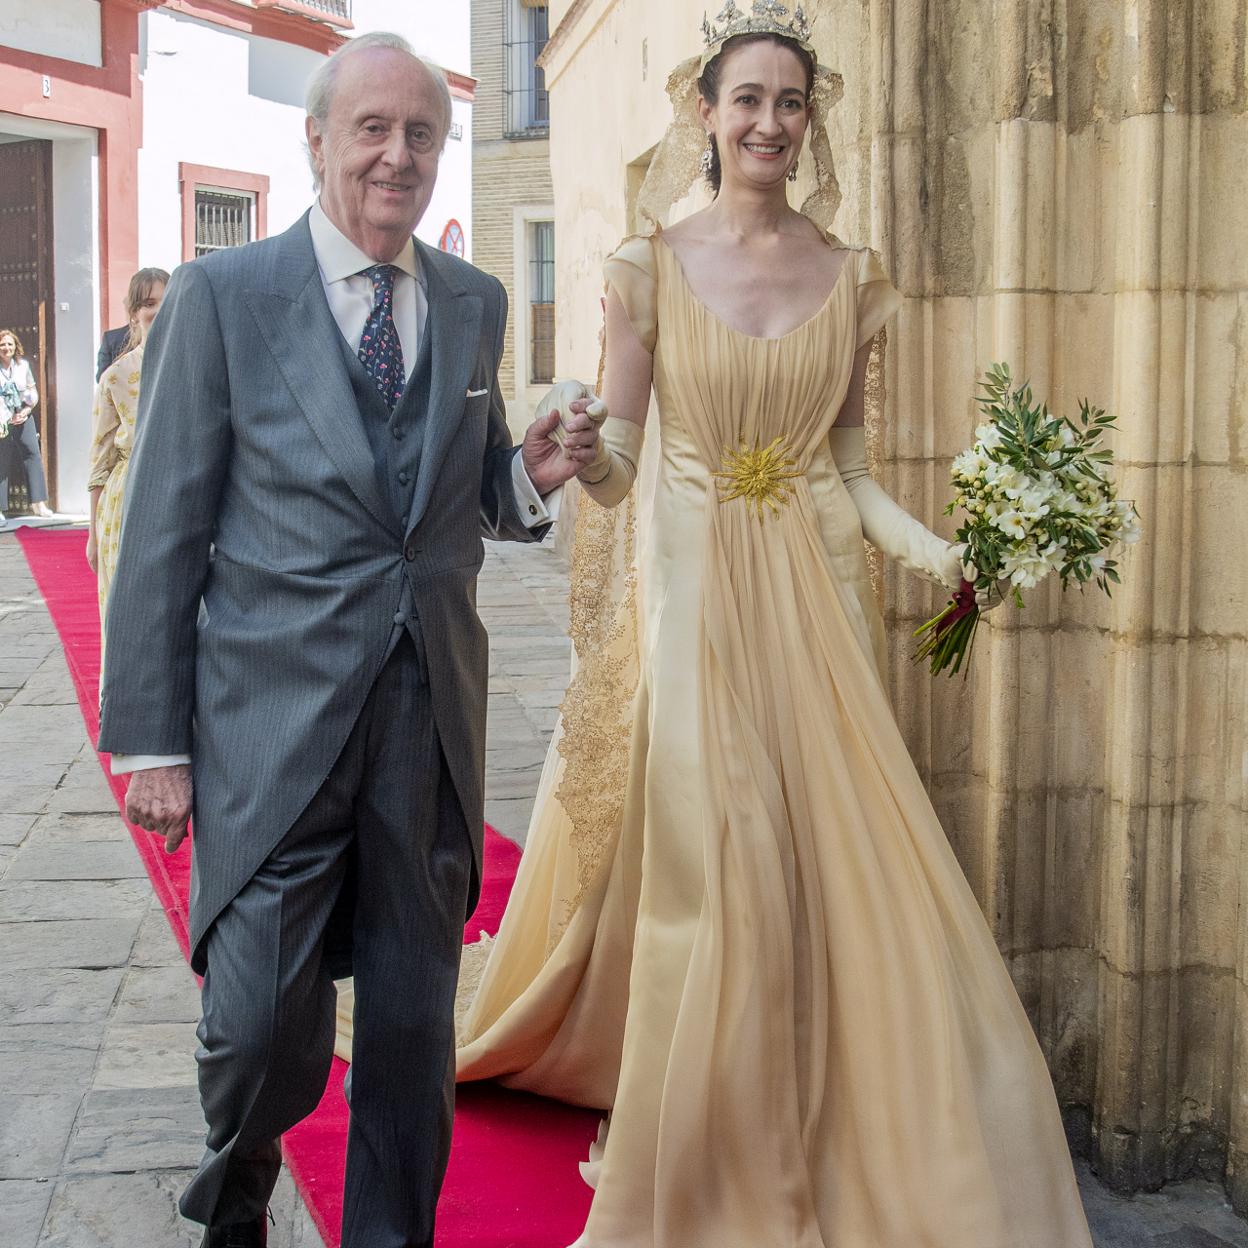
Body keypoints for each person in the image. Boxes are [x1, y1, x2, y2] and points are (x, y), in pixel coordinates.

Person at [450, 8, 1096, 1247]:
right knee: (723, 855)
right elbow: (626, 463)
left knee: (837, 858)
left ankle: (850, 1120)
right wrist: (582, 456)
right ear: (705, 111)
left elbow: (848, 473)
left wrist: (955, 553)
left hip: (817, 606)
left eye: (789, 103)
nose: (767, 122)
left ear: (811, 121)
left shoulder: (852, 277)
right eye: (746, 99)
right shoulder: (646, 268)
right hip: (694, 610)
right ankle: (707, 1143)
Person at [95, 31, 598, 1248]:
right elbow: (165, 524)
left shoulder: (472, 304)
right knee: (263, 1022)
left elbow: (456, 500)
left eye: (421, 132)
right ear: (315, 141)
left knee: (417, 1035)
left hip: (425, 726)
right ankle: (236, 1191)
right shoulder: (224, 298)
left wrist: (522, 477)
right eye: (370, 129)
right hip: (271, 726)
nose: (397, 155)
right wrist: (152, 741)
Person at [86, 267, 169, 676]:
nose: (158, 310)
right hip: (127, 501)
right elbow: (99, 461)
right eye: (149, 303)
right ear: (133, 312)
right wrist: (90, 534)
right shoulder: (116, 375)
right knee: (124, 612)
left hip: (180, 496)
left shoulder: (199, 362)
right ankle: (123, 710)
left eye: (165, 301)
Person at [0, 328, 53, 522]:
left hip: (23, 416)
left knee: (32, 455)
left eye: (10, 344)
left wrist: (26, 411)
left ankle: (38, 504)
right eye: (2, 344)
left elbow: (33, 392)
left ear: (16, 347)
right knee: (1, 461)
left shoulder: (23, 366)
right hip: (2, 420)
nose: (6, 348)